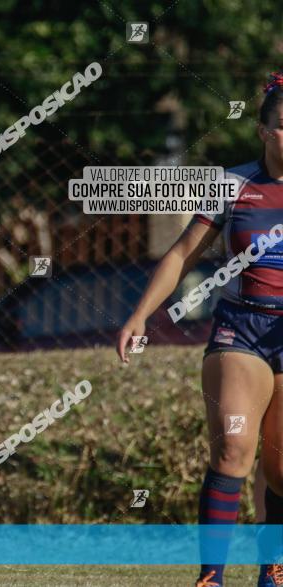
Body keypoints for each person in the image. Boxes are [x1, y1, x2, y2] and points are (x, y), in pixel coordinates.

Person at [116, 72, 283, 587]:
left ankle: (272, 573)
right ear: (262, 129)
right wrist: (140, 314)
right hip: (242, 330)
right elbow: (183, 253)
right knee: (233, 450)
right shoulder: (233, 185)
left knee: (279, 470)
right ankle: (210, 576)